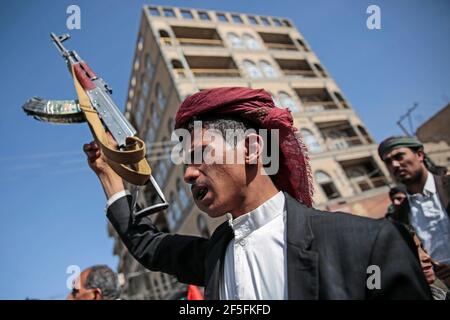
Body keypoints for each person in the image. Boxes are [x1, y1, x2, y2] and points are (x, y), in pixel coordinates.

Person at [84, 87, 431, 299]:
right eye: (184, 163)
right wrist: (108, 175)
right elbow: (148, 246)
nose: (189, 173)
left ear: (251, 150)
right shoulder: (215, 256)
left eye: (200, 154)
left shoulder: (370, 243)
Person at [378, 136, 450, 264]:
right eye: (388, 162)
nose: (394, 165)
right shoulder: (399, 216)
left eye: (399, 157)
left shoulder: (448, 186)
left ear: (420, 155)